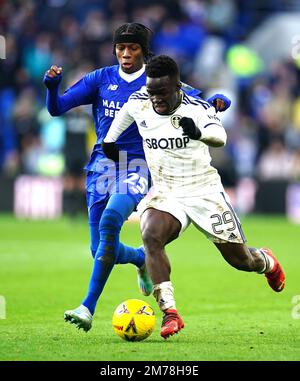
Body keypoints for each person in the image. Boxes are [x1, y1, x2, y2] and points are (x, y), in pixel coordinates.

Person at [43, 23, 231, 332]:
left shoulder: (156, 81)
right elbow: (57, 108)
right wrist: (51, 87)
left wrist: (218, 102)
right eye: (121, 48)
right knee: (100, 250)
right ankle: (141, 259)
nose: (126, 53)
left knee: (110, 222)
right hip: (102, 166)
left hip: (137, 165)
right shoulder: (100, 79)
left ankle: (87, 307)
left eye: (132, 48)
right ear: (115, 49)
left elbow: (198, 101)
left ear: (144, 50)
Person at [102, 55, 285, 340]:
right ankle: (170, 312)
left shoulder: (196, 108)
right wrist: (109, 140)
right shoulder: (141, 100)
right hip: (167, 190)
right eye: (152, 92)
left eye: (161, 93)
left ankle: (266, 261)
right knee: (151, 235)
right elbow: (127, 111)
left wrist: (198, 133)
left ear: (177, 87)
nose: (155, 99)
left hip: (204, 192)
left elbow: (219, 136)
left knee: (240, 260)